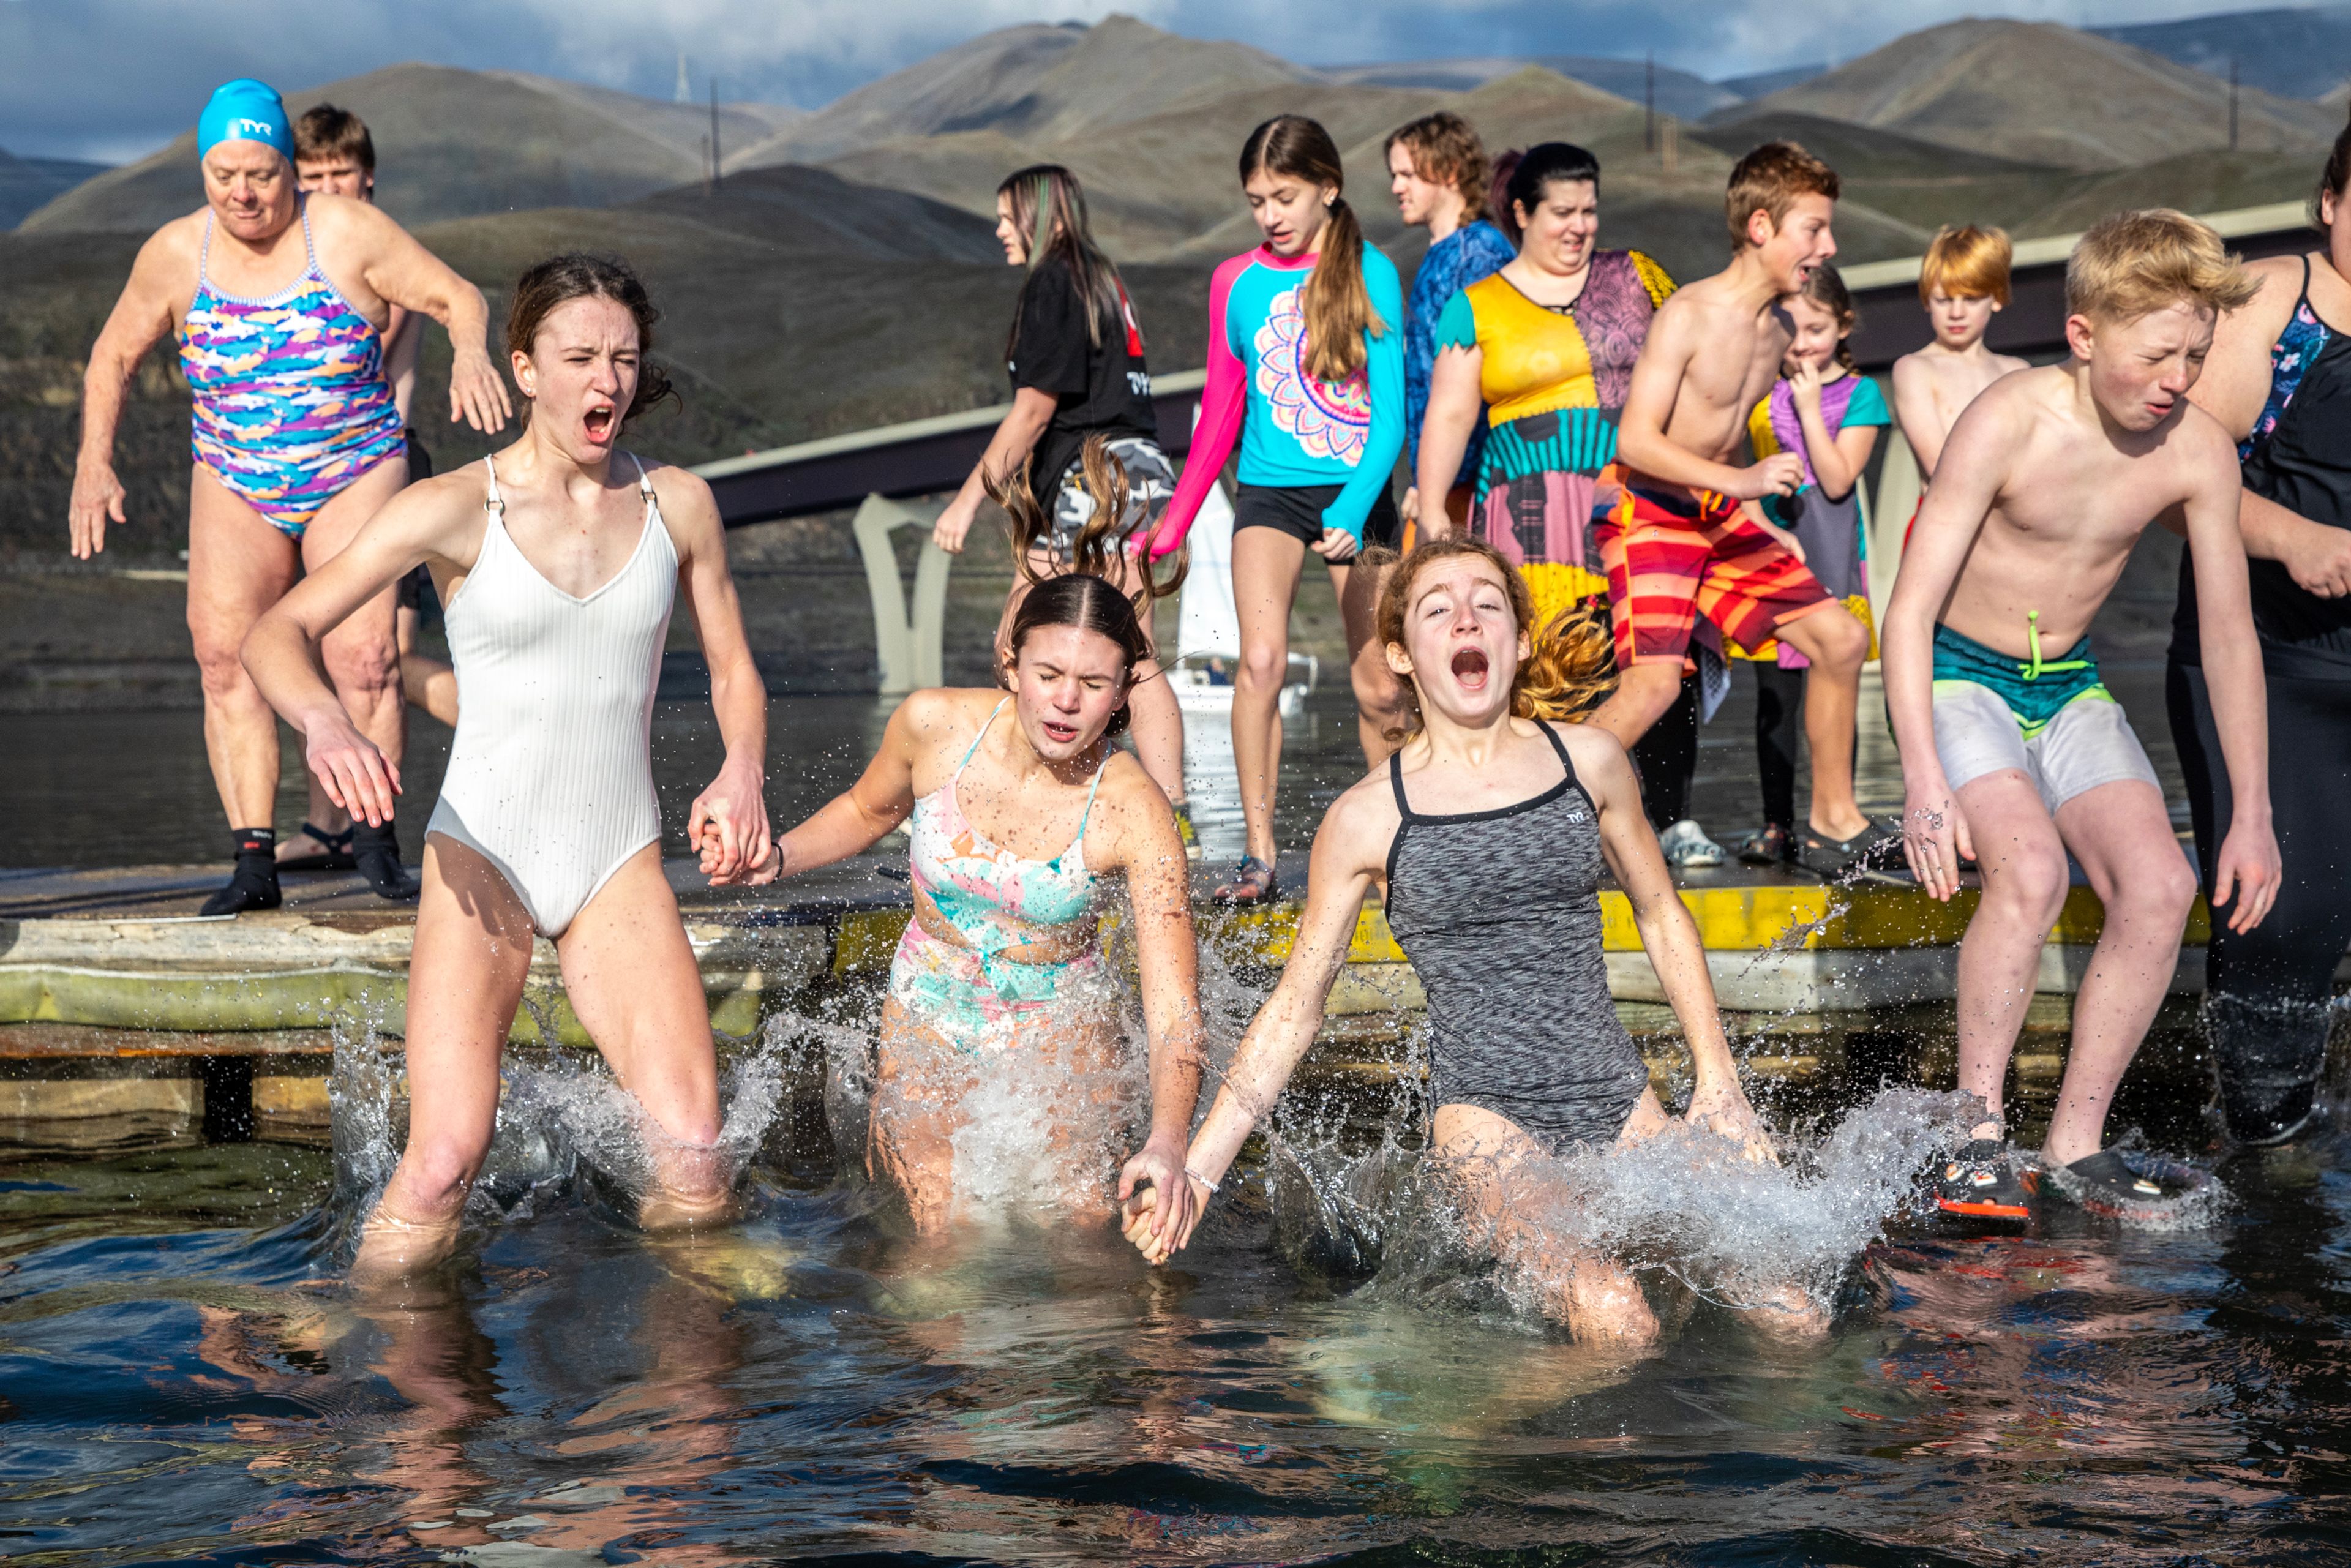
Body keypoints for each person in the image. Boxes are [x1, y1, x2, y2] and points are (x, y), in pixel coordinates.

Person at [1120, 538, 1814, 1343]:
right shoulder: (1367, 816)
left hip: (1618, 1099)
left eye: (1487, 601)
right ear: (1402, 656)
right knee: (1619, 1319)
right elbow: (1294, 1010)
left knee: (1789, 1311)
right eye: (1436, 608)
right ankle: (1461, 1428)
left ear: (1518, 639)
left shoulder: (1588, 761)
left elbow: (1661, 915)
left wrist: (1720, 1084)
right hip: (1488, 1125)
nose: (1465, 618)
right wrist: (1199, 1171)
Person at [241, 253, 770, 1281]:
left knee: (697, 1158)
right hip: (482, 852)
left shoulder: (681, 506)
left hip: (617, 858)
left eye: (623, 358)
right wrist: (326, 724)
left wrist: (741, 769)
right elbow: (277, 631)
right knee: (443, 1162)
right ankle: (365, 1351)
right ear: (525, 368)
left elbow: (736, 671)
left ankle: (684, 1404)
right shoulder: (455, 507)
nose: (605, 382)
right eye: (579, 358)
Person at [1885, 209, 2281, 1220]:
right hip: (1961, 675)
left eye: (2196, 355)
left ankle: (2074, 1143)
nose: (2180, 379)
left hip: (2066, 683)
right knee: (2030, 869)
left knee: (2160, 885)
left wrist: (2253, 811)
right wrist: (1924, 783)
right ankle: (1976, 1134)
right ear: (2084, 334)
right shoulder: (2008, 418)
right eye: (2158, 354)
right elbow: (1910, 608)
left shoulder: (2196, 452)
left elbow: (2232, 639)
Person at [69, 80, 508, 913]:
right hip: (236, 478)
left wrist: (475, 354)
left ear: (291, 171)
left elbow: (459, 296)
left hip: (353, 467)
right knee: (223, 657)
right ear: (204, 168)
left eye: (261, 174)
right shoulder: (176, 254)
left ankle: (376, 843)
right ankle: (253, 861)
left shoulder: (344, 232)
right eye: (223, 173)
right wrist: (96, 462)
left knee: (364, 658)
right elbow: (110, 358)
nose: (242, 192)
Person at [747, 556, 1205, 1242]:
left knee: (1079, 1238)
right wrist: (777, 857)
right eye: (1048, 675)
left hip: (1062, 1033)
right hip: (929, 1018)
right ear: (1012, 665)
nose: (1065, 702)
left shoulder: (1135, 810)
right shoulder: (935, 725)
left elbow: (1172, 1010)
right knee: (938, 1236)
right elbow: (866, 810)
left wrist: (1169, 1142)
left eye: (1092, 684)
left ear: (1121, 694)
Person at [1409, 142, 1720, 867]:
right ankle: (1556, 823)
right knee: (1553, 671)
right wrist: (1432, 523)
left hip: (1637, 498)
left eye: (1589, 209)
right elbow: (1450, 419)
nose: (1579, 226)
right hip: (1529, 515)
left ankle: (1671, 819)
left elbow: (1698, 366)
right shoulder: (1475, 307)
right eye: (1562, 212)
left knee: (1660, 659)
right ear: (1520, 213)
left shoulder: (1639, 277)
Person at [1594, 142, 1891, 873]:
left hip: (1719, 515)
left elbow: (1731, 432)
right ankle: (1531, 816)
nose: (1829, 246)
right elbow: (1636, 438)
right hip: (1646, 508)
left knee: (1841, 641)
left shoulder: (1784, 329)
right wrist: (1747, 487)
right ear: (1761, 227)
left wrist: (1755, 520)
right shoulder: (1690, 315)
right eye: (1814, 230)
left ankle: (1831, 820)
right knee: (1656, 686)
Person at [1147, 115, 1408, 905]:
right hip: (1268, 490)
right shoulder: (1236, 280)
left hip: (1357, 494)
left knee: (1381, 686)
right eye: (1257, 200)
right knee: (1257, 663)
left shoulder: (1372, 271)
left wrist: (1358, 509)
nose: (1270, 215)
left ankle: (1397, 842)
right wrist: (1172, 523)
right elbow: (1220, 416)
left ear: (1328, 187)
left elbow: (1393, 414)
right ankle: (1258, 854)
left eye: (1285, 196)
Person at [2167, 115, 2351, 1146]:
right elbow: (2179, 472)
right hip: (2263, 660)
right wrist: (2291, 536)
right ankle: (2262, 1147)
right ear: (2329, 202)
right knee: (2287, 916)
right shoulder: (2277, 306)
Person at [929, 165, 1193, 849]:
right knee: (1138, 655)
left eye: (1005, 216)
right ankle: (1166, 824)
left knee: (1017, 641)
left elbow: (1034, 410)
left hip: (1095, 477)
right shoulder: (1099, 276)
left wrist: (965, 504)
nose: (998, 230)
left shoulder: (1052, 279)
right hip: (1141, 470)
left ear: (1037, 214)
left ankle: (1009, 819)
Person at [278, 102, 462, 875]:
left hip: (384, 468)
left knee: (386, 659)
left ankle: (513, 719)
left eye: (338, 176)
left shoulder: (380, 260)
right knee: (315, 649)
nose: (325, 190)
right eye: (311, 177)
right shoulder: (304, 254)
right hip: (313, 477)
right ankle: (333, 825)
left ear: (367, 177)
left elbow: (350, 362)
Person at [1733, 264, 1889, 865]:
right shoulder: (1757, 388)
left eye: (1817, 328)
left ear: (1843, 324)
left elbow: (1835, 475)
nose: (1802, 343)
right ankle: (1778, 823)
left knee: (1836, 682)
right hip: (1771, 556)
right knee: (1775, 698)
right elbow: (1737, 469)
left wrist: (1803, 406)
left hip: (1831, 558)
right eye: (1792, 328)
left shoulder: (1862, 395)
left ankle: (1836, 810)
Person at [1387, 112, 1515, 542]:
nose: (1396, 188)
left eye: (1408, 174)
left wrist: (1433, 489)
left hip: (1471, 487)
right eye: (1395, 175)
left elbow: (1474, 385)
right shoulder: (1447, 254)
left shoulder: (1478, 255)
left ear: (1450, 171)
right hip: (1442, 483)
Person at [1891, 225, 2028, 547]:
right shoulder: (1914, 369)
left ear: (1996, 298)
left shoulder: (2016, 371)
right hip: (1944, 532)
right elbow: (1941, 466)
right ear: (1926, 300)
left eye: (1970, 299)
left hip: (2007, 532)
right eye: (1943, 300)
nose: (1956, 312)